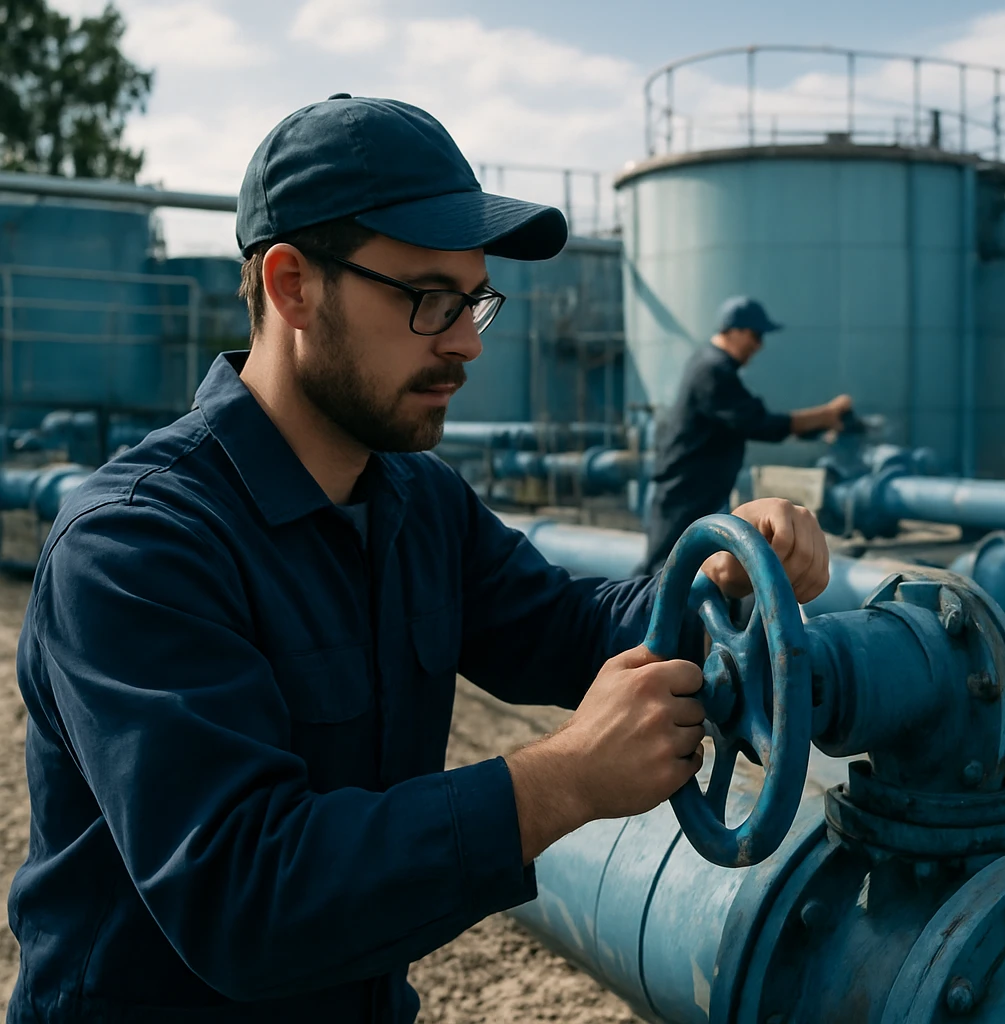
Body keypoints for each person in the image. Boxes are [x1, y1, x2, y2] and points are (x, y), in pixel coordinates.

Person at [6, 95, 832, 1024]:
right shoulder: (137, 546)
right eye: (428, 300)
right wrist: (563, 780)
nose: (466, 343)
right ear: (291, 286)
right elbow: (247, 898)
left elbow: (563, 628)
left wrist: (718, 575)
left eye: (474, 300)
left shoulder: (414, 499)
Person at [639, 296, 852, 575]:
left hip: (694, 490)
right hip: (687, 493)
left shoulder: (710, 363)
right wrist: (825, 415)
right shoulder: (713, 370)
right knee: (665, 571)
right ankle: (633, 617)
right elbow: (758, 424)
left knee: (683, 568)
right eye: (755, 335)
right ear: (733, 330)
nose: (759, 345)